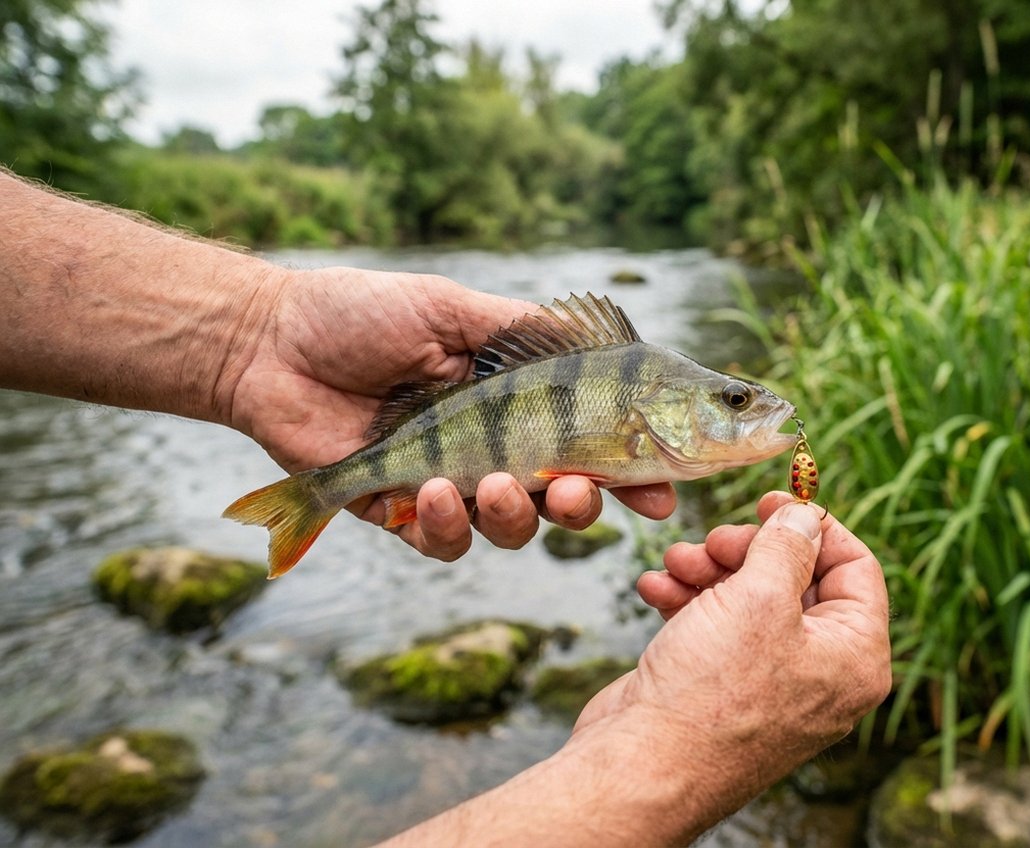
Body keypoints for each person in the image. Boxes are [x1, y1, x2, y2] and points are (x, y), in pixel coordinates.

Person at [1, 170, 891, 845]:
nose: (754, 411)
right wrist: (681, 750)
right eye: (733, 401)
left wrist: (253, 338)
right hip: (429, 444)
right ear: (660, 412)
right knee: (494, 491)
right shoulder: (634, 401)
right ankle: (309, 500)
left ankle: (312, 496)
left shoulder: (646, 416)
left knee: (510, 496)